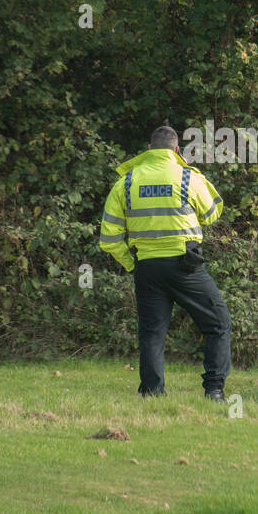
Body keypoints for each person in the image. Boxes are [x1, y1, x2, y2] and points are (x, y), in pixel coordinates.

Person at [99, 125, 231, 400]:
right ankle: (214, 390)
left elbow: (109, 238)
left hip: (146, 268)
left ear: (149, 150)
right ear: (177, 150)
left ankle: (151, 393)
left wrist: (132, 264)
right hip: (185, 265)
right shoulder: (188, 177)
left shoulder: (125, 182)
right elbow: (212, 213)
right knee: (218, 323)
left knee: (152, 333)